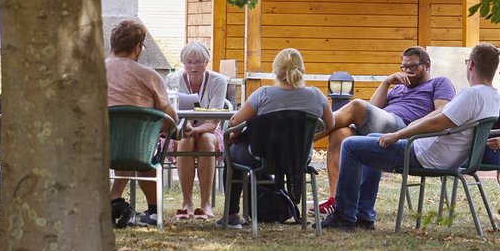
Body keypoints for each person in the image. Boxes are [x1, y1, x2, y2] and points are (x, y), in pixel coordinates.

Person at [322, 42, 500, 231]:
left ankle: (344, 217)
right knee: (372, 137)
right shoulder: (492, 96)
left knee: (350, 146)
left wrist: (397, 135)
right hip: (438, 155)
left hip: (423, 154)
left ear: (471, 65)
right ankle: (364, 214)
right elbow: (438, 119)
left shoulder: (470, 94)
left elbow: (437, 123)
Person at [316, 46, 454, 220]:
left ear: (427, 66)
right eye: (404, 67)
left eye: (413, 66)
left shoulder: (439, 82)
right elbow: (373, 109)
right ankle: (335, 200)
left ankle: (305, 138)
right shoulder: (398, 88)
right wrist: (386, 82)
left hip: (404, 130)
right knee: (340, 133)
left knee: (357, 105)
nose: (407, 71)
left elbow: (442, 112)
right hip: (382, 126)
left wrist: (410, 128)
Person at [217, 48, 337, 227]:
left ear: (275, 71)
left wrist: (234, 134)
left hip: (262, 156)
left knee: (232, 154)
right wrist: (304, 141)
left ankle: (232, 214)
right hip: (299, 158)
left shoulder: (264, 94)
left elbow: (235, 120)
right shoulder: (316, 96)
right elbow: (331, 124)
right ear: (302, 70)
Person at [107, 17, 178, 226]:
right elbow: (170, 118)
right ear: (138, 48)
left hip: (99, 148)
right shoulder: (149, 76)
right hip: (137, 150)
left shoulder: (93, 72)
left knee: (125, 136)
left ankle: (113, 199)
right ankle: (154, 211)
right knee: (143, 142)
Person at [166, 41, 231, 220]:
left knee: (206, 140)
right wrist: (187, 129)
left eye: (198, 62)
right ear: (183, 63)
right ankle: (186, 203)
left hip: (208, 129)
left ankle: (205, 204)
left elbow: (214, 121)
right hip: (182, 129)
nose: (193, 67)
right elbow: (171, 112)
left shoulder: (218, 81)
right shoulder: (174, 79)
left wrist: (196, 130)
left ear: (206, 62)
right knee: (185, 141)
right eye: (189, 62)